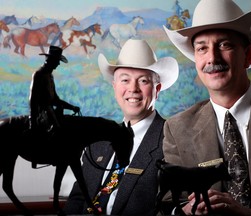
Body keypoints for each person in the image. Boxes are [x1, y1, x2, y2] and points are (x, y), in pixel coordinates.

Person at [162, 0, 251, 215]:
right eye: (202, 48)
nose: (212, 58)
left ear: (248, 56)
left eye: (224, 45)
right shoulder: (177, 129)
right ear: (196, 60)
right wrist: (186, 211)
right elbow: (167, 206)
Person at [63, 39, 179, 215]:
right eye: (125, 80)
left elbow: (172, 206)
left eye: (143, 81)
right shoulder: (97, 143)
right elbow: (77, 199)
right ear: (114, 86)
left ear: (158, 89)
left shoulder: (172, 141)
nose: (133, 89)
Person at [29, 45, 80, 134]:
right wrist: (33, 121)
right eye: (57, 61)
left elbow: (55, 99)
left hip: (51, 110)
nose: (58, 63)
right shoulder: (39, 74)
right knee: (56, 132)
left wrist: (72, 107)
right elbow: (33, 100)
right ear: (51, 60)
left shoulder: (50, 76)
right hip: (44, 113)